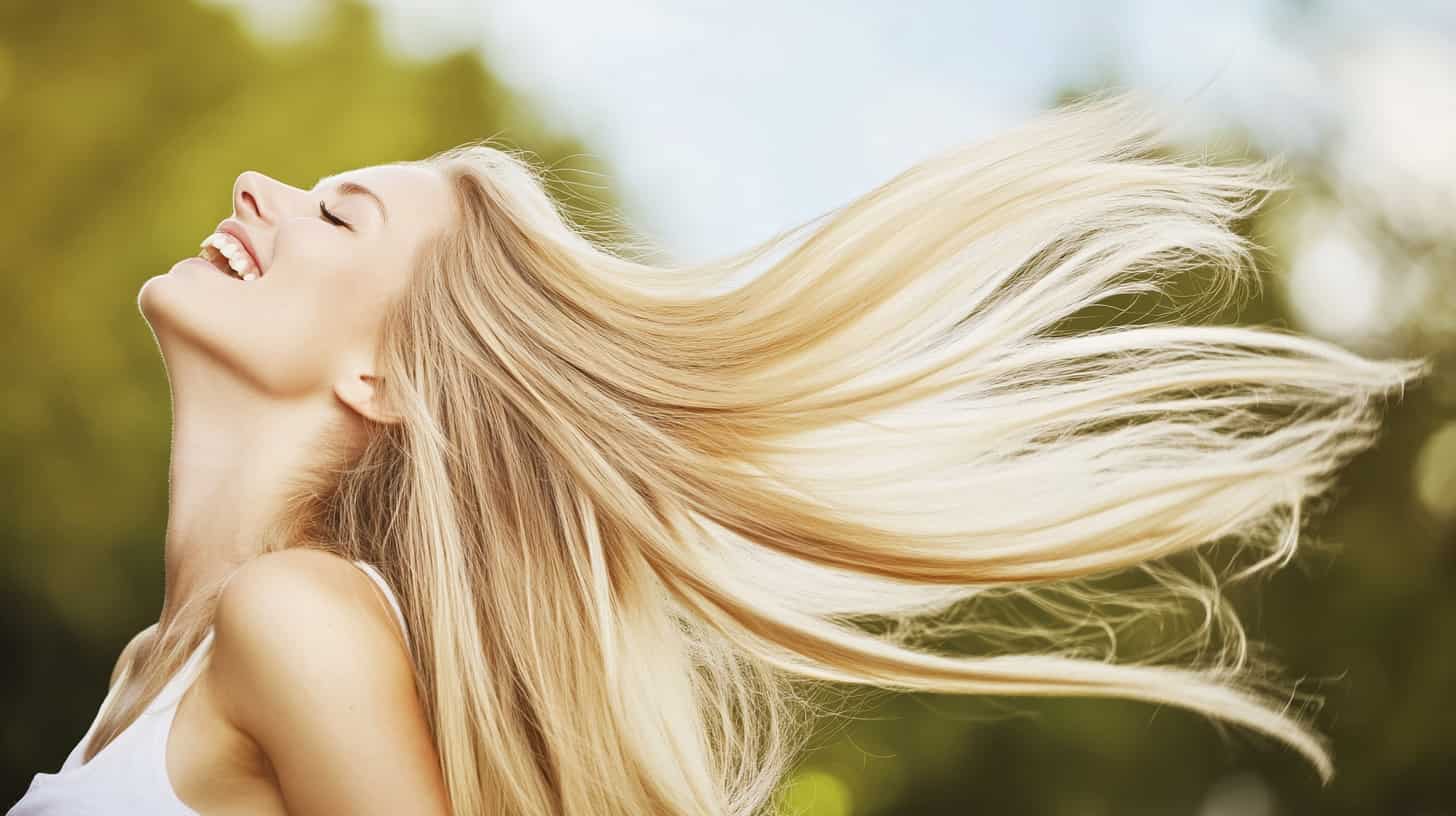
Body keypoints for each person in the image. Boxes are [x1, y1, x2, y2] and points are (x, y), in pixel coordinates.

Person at [8, 91, 1429, 815]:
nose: (260, 186)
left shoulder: (291, 624)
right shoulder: (157, 667)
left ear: (387, 376)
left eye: (336, 216)